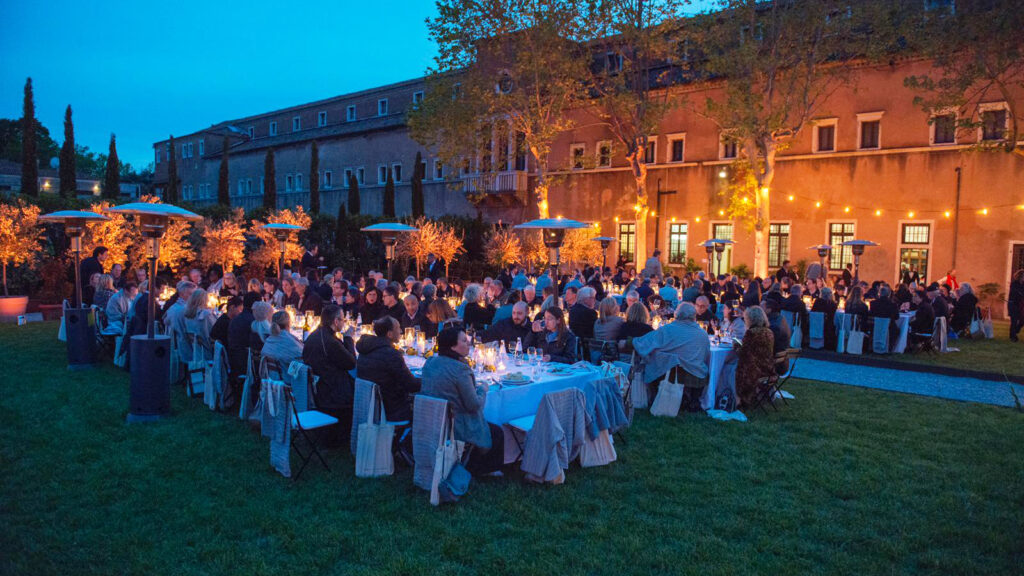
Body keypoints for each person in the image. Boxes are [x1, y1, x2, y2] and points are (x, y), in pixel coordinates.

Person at [421, 327, 504, 476]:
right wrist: (482, 389)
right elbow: (474, 406)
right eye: (464, 341)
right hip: (455, 425)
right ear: (453, 346)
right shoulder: (460, 370)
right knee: (497, 432)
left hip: (432, 419)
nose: (469, 344)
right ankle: (484, 469)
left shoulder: (430, 362)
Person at [303, 305, 358, 444]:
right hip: (334, 391)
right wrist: (348, 338)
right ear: (336, 321)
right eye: (343, 320)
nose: (344, 323)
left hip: (320, 386)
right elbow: (351, 363)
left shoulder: (315, 335)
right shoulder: (330, 341)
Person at [632, 302, 710, 399]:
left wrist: (629, 341)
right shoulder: (703, 334)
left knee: (655, 359)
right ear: (694, 315)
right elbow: (706, 356)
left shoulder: (667, 330)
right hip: (698, 374)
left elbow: (644, 342)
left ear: (676, 314)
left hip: (672, 376)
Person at [356, 316, 422, 423]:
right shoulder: (391, 355)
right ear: (390, 334)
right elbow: (411, 385)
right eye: (398, 328)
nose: (401, 331)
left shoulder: (365, 350)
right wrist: (428, 380)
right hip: (392, 410)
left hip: (370, 407)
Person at [735, 306, 776, 408]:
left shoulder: (751, 333)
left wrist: (735, 345)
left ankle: (737, 398)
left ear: (750, 319)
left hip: (755, 371)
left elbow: (743, 353)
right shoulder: (769, 332)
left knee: (730, 368)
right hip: (768, 368)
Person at [183, 288, 217, 361]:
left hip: (195, 349)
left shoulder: (187, 314)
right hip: (207, 349)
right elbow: (215, 329)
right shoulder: (205, 314)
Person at [763, 299, 791, 374]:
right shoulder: (779, 318)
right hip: (782, 360)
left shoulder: (773, 326)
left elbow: (766, 347)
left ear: (769, 310)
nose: (759, 310)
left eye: (761, 307)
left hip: (777, 364)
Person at [1009, 269, 1024, 342]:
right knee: (1014, 320)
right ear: (1020, 276)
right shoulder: (1014, 284)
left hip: (1021, 304)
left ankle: (1017, 329)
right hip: (1013, 304)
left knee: (1022, 320)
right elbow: (1015, 293)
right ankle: (1013, 336)